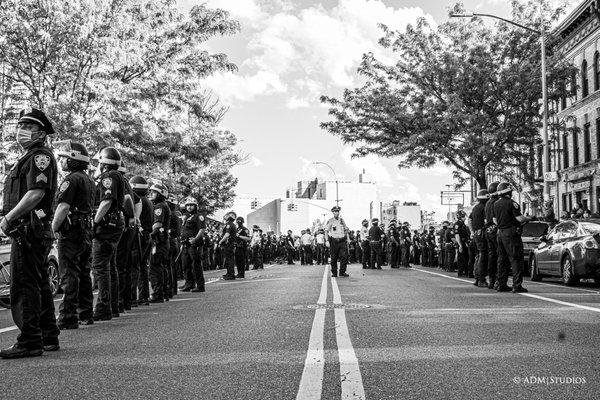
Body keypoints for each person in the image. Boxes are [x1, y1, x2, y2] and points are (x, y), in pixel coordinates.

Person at [0, 108, 60, 358]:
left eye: (28, 126)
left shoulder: (39, 157)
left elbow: (36, 193)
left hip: (29, 229)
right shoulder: (27, 158)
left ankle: (30, 340)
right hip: (30, 229)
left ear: (42, 133)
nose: (21, 130)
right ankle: (47, 335)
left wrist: (9, 217)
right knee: (38, 283)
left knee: (24, 285)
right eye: (21, 125)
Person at [52, 141, 95, 329]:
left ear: (73, 160)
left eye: (65, 158)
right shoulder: (89, 180)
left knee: (68, 273)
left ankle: (68, 316)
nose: (62, 162)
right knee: (84, 272)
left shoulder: (71, 180)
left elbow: (63, 206)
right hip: (86, 230)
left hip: (71, 232)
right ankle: (86, 313)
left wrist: (53, 228)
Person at [91, 147, 127, 320]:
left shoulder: (108, 176)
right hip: (116, 223)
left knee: (101, 267)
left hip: (107, 225)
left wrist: (95, 222)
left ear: (104, 163)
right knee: (110, 266)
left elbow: (106, 201)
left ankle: (104, 307)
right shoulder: (119, 176)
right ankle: (113, 306)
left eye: (99, 162)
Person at [493, 182, 531, 293]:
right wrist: (528, 218)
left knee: (502, 259)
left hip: (500, 233)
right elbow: (519, 219)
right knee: (516, 259)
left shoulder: (495, 204)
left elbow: (495, 220)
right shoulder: (512, 203)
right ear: (509, 192)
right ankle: (517, 285)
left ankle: (501, 284)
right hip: (510, 233)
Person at [116, 161, 137, 313]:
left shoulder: (118, 180)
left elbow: (129, 199)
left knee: (119, 265)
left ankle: (120, 301)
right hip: (128, 227)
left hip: (121, 228)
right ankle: (126, 301)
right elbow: (137, 200)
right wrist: (135, 218)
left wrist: (131, 216)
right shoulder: (125, 181)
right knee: (125, 265)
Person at [129, 175, 153, 306]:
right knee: (143, 267)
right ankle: (144, 296)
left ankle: (132, 297)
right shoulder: (148, 201)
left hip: (139, 236)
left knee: (134, 266)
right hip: (147, 236)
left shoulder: (139, 201)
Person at [148, 182, 171, 302]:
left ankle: (158, 294)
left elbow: (157, 224)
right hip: (163, 241)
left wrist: (150, 234)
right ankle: (164, 292)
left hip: (159, 242)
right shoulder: (162, 205)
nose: (151, 193)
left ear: (160, 194)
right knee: (161, 267)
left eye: (154, 192)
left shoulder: (159, 206)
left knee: (155, 267)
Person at [180, 196, 206, 292]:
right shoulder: (186, 217)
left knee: (196, 265)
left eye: (192, 205)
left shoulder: (199, 216)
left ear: (195, 206)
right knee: (186, 265)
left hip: (194, 244)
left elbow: (202, 229)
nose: (189, 207)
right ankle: (189, 284)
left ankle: (200, 286)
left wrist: (195, 239)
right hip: (185, 244)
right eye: (188, 205)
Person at [469, 189, 489, 287]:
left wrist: (472, 232)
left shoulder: (475, 208)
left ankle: (477, 278)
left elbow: (470, 220)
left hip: (476, 234)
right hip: (482, 233)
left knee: (478, 256)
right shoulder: (485, 207)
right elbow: (486, 221)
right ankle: (481, 279)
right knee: (483, 256)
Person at [324, 206, 350, 277]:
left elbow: (345, 230)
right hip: (334, 241)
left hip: (342, 241)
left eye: (338, 211)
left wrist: (348, 238)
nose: (336, 212)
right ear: (332, 212)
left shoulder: (342, 220)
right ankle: (334, 272)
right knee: (334, 258)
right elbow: (326, 231)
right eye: (335, 211)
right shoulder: (330, 221)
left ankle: (342, 272)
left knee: (344, 257)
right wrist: (327, 241)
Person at [485, 182, 500, 289]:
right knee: (500, 256)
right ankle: (498, 281)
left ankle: (491, 280)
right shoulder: (497, 202)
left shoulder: (488, 203)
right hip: (495, 230)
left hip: (488, 230)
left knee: (491, 256)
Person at [219, 211, 237, 280]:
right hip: (229, 244)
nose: (225, 216)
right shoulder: (230, 224)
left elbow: (227, 234)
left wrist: (220, 241)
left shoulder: (229, 224)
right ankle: (229, 273)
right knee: (228, 259)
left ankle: (231, 274)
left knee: (229, 259)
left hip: (229, 244)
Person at [454, 210, 470, 277]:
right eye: (463, 217)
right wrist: (460, 245)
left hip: (464, 242)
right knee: (461, 258)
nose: (464, 218)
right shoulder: (457, 224)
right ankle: (460, 272)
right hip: (461, 243)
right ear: (459, 217)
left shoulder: (463, 224)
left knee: (466, 258)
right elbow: (457, 235)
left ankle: (466, 272)